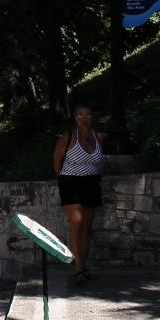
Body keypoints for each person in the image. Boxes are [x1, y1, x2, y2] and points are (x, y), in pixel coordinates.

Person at [53, 104, 106, 286]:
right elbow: (57, 160)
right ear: (75, 118)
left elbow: (100, 161)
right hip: (70, 182)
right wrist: (62, 178)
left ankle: (83, 265)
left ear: (92, 117)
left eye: (88, 115)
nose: (84, 119)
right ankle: (78, 269)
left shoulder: (98, 137)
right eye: (80, 115)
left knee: (87, 227)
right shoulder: (68, 136)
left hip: (91, 182)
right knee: (77, 221)